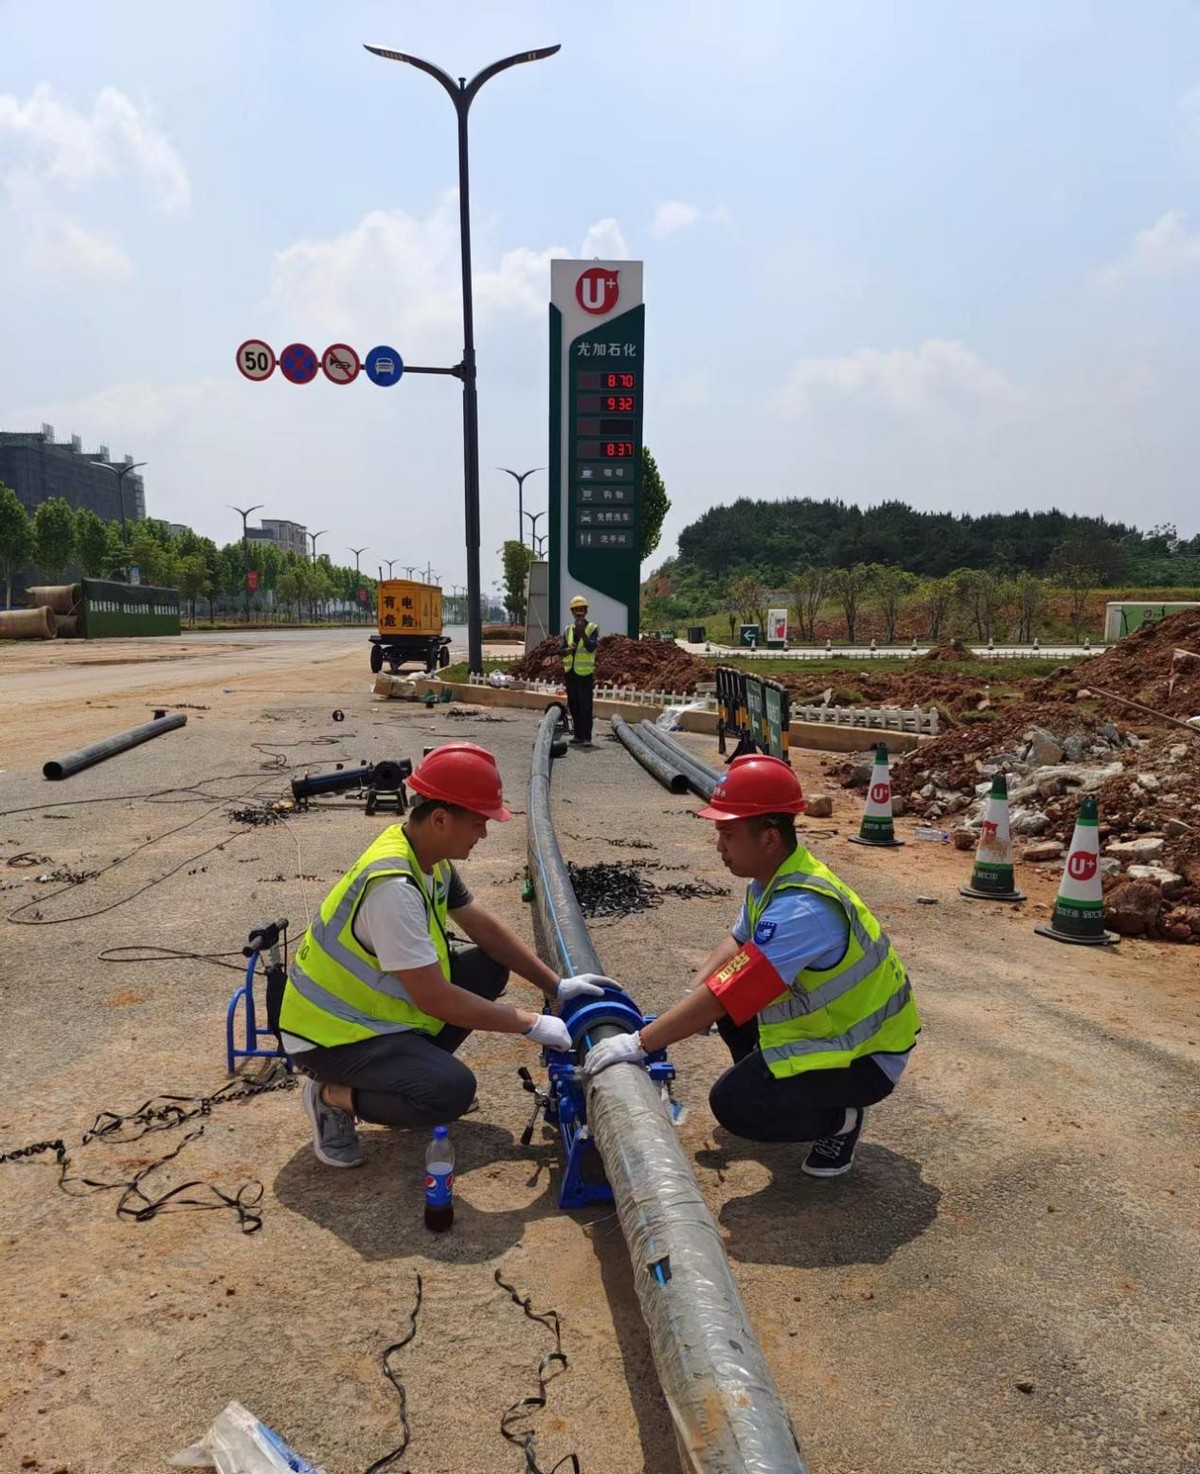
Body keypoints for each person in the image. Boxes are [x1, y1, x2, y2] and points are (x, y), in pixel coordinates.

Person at [584, 754, 919, 1177]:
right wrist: (691, 996)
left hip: (867, 1056)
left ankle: (841, 1120)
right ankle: (785, 1088)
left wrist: (638, 1044)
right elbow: (737, 943)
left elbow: (730, 991)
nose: (718, 846)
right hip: (832, 1034)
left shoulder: (803, 909)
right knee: (725, 1014)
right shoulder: (772, 880)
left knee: (735, 1106)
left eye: (728, 833)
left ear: (769, 837)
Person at [279, 742, 611, 1168]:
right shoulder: (393, 889)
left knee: (490, 966)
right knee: (449, 1092)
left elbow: (483, 927)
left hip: (376, 1014)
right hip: (331, 1036)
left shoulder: (425, 855)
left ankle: (408, 1069)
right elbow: (435, 999)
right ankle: (331, 1095)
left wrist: (556, 985)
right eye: (478, 823)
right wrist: (531, 1023)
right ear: (440, 818)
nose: (484, 834)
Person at [560, 594, 599, 747]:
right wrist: (566, 650)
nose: (578, 612)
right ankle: (578, 734)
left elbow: (591, 647)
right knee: (574, 704)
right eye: (576, 610)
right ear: (572, 612)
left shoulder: (592, 628)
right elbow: (562, 648)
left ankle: (587, 737)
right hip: (570, 673)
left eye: (581, 609)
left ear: (586, 611)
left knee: (585, 706)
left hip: (585, 674)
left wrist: (582, 633)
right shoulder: (568, 629)